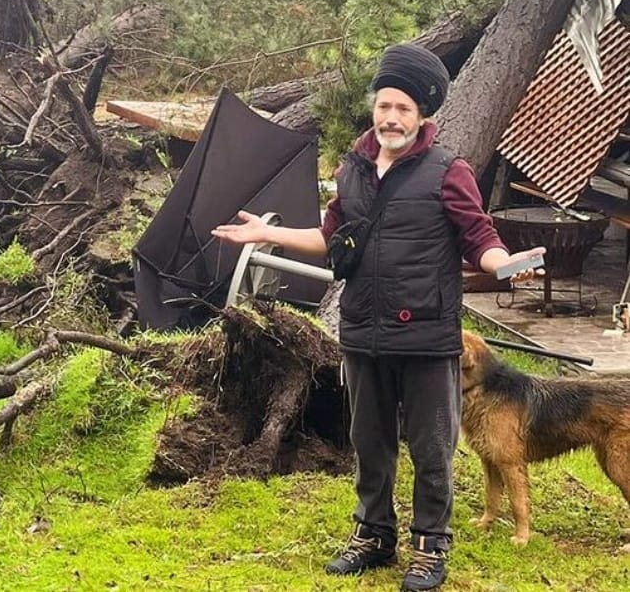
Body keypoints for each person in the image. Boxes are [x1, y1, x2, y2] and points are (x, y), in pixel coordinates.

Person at [211, 43, 543, 592]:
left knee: (432, 447)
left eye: (404, 109)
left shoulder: (447, 171)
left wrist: (505, 263)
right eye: (384, 106)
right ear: (375, 108)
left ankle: (429, 547)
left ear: (422, 115)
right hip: (363, 330)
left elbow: (478, 235)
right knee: (370, 443)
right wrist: (266, 233)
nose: (391, 117)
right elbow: (330, 238)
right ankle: (373, 535)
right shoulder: (354, 169)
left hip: (428, 336)